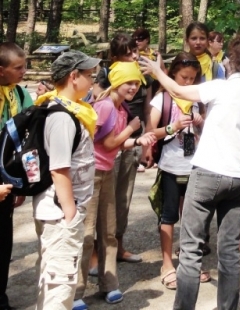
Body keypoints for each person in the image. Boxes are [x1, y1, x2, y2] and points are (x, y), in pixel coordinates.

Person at [140, 33, 240, 310]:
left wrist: (156, 71)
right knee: (229, 254)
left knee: (190, 253)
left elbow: (178, 91)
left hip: (206, 174)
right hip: (239, 179)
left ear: (235, 60)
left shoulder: (221, 87)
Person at [74, 61, 155, 308]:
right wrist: (131, 129)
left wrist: (137, 140)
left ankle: (109, 284)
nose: (133, 88)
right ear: (117, 83)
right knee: (87, 234)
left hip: (107, 171)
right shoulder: (106, 106)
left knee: (109, 230)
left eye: (137, 84)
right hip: (91, 174)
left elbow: (116, 144)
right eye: (129, 83)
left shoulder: (120, 110)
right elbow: (105, 144)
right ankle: (76, 292)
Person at [33, 50, 100, 310]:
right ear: (74, 77)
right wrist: (70, 213)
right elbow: (59, 169)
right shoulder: (62, 117)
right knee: (59, 286)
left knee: (54, 281)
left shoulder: (73, 111)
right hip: (60, 213)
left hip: (62, 211)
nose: (92, 81)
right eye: (89, 75)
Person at [146, 53, 207, 289]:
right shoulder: (162, 100)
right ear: (172, 74)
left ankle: (191, 263)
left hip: (194, 166)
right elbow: (150, 132)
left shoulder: (198, 100)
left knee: (192, 217)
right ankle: (166, 264)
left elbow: (205, 135)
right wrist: (172, 126)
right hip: (171, 166)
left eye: (192, 78)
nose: (188, 83)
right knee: (169, 216)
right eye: (183, 77)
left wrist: (200, 124)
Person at [95, 33, 150, 261]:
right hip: (112, 146)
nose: (133, 57)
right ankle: (97, 253)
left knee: (123, 198)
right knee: (104, 202)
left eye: (135, 52)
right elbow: (99, 103)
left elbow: (147, 107)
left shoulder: (141, 78)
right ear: (115, 57)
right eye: (127, 54)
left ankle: (118, 246)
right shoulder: (108, 78)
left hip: (132, 142)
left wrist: (144, 140)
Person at [0, 43, 32, 310]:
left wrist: (20, 183)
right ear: (1, 71)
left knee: (3, 242)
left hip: (8, 173)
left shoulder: (20, 95)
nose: (24, 72)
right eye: (18, 68)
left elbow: (28, 137)